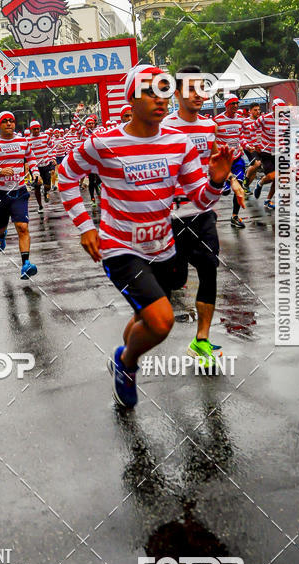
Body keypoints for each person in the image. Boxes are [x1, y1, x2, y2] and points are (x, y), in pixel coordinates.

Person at [58, 64, 233, 408]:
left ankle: (123, 355)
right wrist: (86, 227)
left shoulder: (178, 143)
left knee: (144, 318)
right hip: (120, 249)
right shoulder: (104, 143)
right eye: (150, 91)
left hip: (163, 248)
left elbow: (198, 199)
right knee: (161, 321)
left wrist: (216, 180)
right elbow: (66, 177)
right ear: (131, 98)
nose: (160, 98)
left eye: (164, 91)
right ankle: (127, 366)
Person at [163, 68, 224, 369]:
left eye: (202, 88)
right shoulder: (163, 128)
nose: (199, 94)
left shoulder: (210, 126)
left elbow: (212, 163)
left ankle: (201, 339)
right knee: (175, 280)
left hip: (202, 213)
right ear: (176, 95)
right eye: (191, 90)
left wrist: (230, 182)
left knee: (209, 268)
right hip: (171, 218)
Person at [0, 111, 40, 279]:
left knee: (22, 227)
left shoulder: (23, 141)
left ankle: (26, 264)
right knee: (1, 226)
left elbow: (31, 157)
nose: (8, 124)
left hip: (19, 191)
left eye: (11, 121)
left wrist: (35, 173)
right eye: (4, 121)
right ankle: (1, 235)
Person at [215, 95, 247, 228]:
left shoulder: (240, 119)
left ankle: (234, 216)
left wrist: (244, 144)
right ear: (226, 105)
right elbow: (211, 139)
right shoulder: (217, 120)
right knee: (227, 190)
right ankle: (224, 183)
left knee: (239, 188)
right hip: (224, 160)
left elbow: (242, 135)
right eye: (232, 103)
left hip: (238, 158)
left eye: (236, 103)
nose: (235, 106)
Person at [253, 97, 287, 211]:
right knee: (274, 176)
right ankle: (261, 182)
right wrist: (255, 144)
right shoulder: (264, 118)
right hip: (266, 152)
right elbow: (251, 128)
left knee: (279, 177)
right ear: (273, 109)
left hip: (279, 152)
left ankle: (268, 200)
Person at [29, 120, 56, 212]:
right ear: (30, 130)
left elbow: (52, 146)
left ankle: (45, 192)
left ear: (40, 128)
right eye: (34, 129)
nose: (36, 131)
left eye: (37, 129)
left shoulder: (45, 136)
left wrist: (53, 158)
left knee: (48, 186)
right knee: (37, 186)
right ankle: (40, 205)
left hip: (46, 164)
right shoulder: (27, 140)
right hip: (35, 167)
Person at [241, 103, 263, 193]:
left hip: (259, 147)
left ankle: (245, 187)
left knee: (254, 170)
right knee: (257, 164)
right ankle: (245, 181)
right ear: (250, 111)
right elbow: (240, 135)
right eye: (255, 110)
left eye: (258, 109)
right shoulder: (245, 121)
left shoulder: (262, 120)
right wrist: (246, 145)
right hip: (250, 147)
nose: (258, 112)